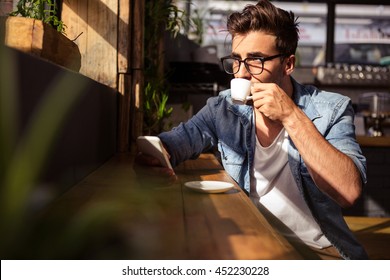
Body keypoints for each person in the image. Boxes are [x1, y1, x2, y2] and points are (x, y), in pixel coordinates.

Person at [136, 0, 368, 260]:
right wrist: (154, 160)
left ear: (288, 64)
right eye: (236, 60)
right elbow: (177, 143)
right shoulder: (223, 108)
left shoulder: (332, 109)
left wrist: (291, 115)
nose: (242, 74)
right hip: (251, 245)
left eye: (256, 60)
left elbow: (349, 191)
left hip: (319, 252)